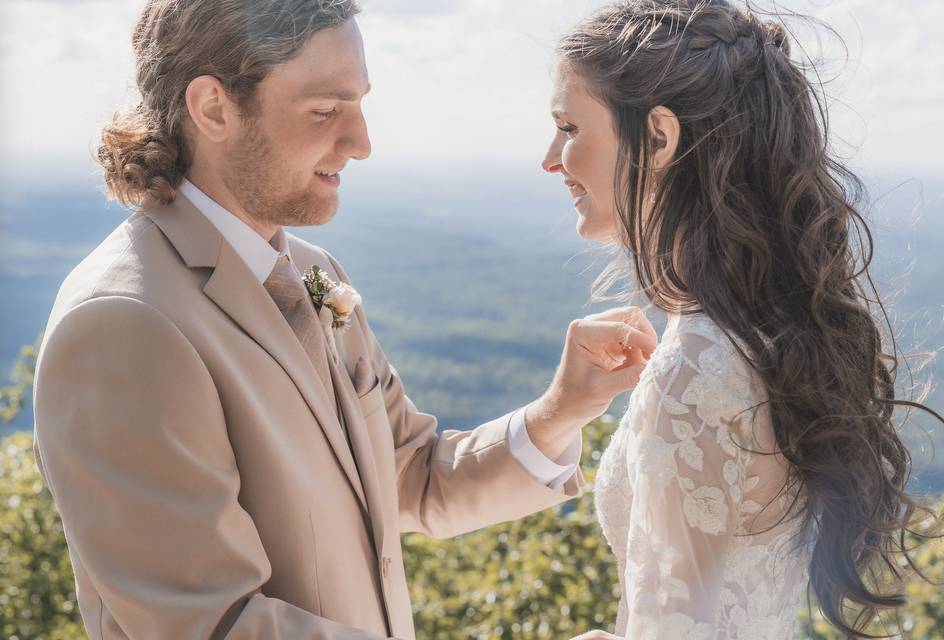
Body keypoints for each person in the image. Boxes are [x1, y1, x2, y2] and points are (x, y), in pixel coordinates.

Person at [30, 1, 659, 638]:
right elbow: (211, 625)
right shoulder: (125, 325)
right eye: (326, 111)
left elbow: (409, 476)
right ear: (214, 107)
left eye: (359, 105)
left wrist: (561, 410)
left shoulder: (313, 270)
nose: (361, 143)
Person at [540, 1, 944, 638]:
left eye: (568, 127)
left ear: (658, 136)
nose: (550, 157)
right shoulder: (763, 333)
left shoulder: (694, 370)